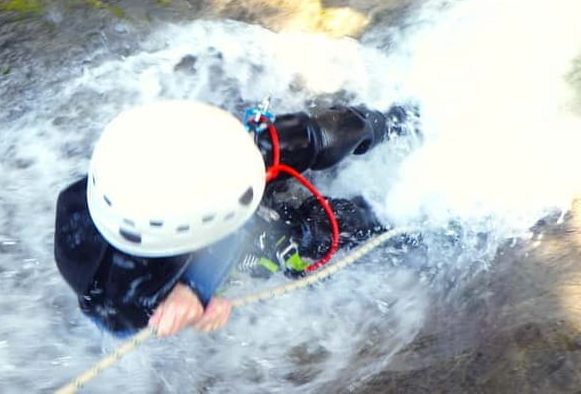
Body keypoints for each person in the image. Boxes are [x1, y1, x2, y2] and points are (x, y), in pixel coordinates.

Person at [54, 99, 410, 337]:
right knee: (306, 233)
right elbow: (124, 323)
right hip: (206, 236)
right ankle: (404, 214)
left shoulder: (119, 180)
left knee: (313, 137)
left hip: (214, 187)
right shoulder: (121, 294)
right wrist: (196, 291)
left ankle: (395, 120)